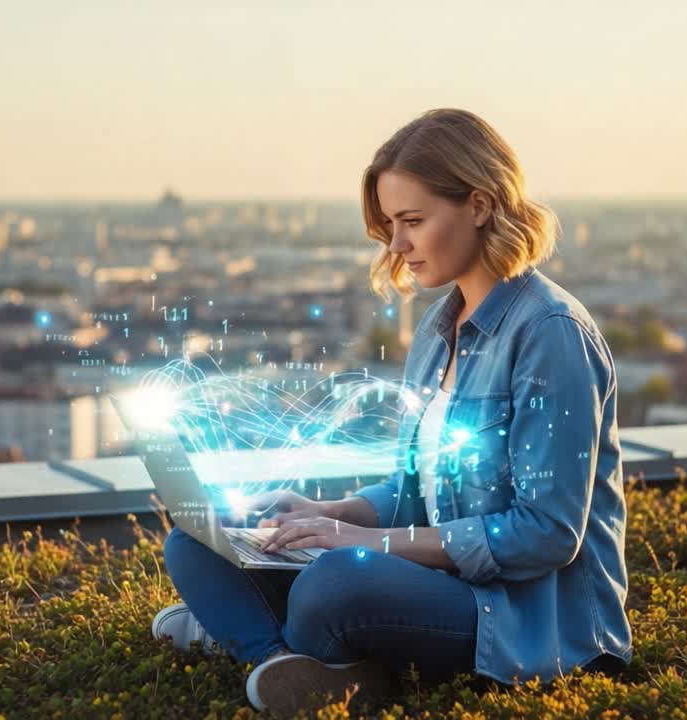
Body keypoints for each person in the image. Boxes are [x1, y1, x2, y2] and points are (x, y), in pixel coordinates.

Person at [154, 108, 632, 716]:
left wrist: (364, 542)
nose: (396, 246)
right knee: (199, 539)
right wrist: (330, 512)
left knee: (336, 582)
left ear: (480, 205)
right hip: (445, 585)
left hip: (528, 620)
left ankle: (254, 638)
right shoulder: (439, 328)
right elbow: (420, 493)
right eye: (389, 225)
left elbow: (547, 534)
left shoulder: (551, 334)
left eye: (412, 221)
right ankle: (289, 663)